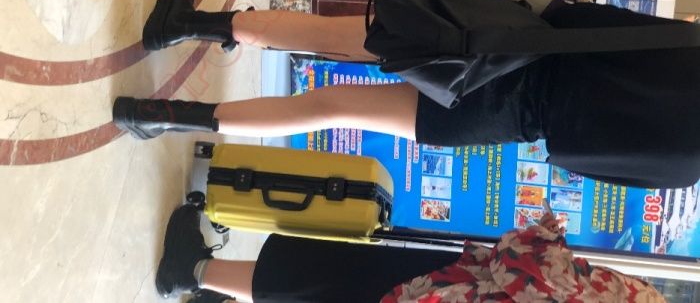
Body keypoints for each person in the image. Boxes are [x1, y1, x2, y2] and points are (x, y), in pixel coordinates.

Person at [113, 0, 700, 189]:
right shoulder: (685, 169)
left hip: (504, 47)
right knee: (329, 108)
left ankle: (183, 25)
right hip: (499, 121)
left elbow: (589, 22)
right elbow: (571, 156)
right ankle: (161, 117)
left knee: (333, 35)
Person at [158, 203, 666, 302]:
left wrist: (545, 236)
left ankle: (192, 268)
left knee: (322, 279)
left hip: (443, 291)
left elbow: (534, 282)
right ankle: (201, 274)